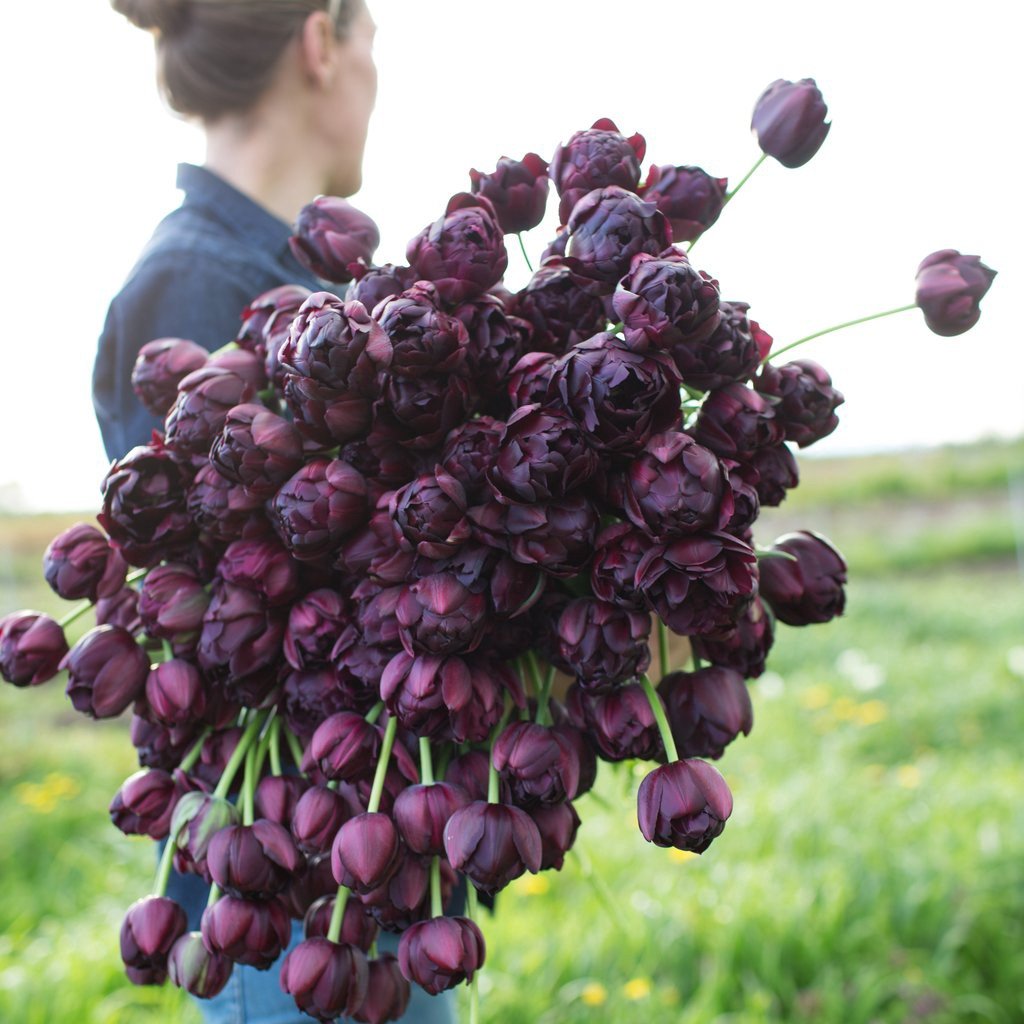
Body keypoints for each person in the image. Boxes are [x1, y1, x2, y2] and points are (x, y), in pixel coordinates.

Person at [93, 2, 454, 1021]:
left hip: (362, 879)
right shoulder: (198, 280)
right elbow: (223, 629)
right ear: (318, 41)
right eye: (373, 43)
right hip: (287, 899)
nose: (377, 81)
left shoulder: (300, 276)